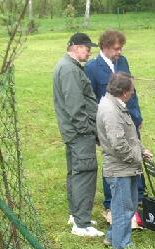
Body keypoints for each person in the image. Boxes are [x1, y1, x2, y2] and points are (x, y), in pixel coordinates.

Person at [85, 30, 144, 223]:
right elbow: (91, 98)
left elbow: (131, 90)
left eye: (121, 48)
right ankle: (111, 203)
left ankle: (137, 198)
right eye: (116, 48)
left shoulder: (123, 61)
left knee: (134, 153)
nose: (119, 52)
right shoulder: (93, 68)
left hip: (129, 119)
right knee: (115, 158)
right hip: (111, 121)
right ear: (105, 46)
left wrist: (138, 115)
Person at [53, 32, 103, 237]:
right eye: (85, 47)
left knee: (75, 172)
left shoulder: (69, 66)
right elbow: (75, 105)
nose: (89, 50)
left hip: (73, 131)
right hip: (79, 132)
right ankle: (81, 224)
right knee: (85, 172)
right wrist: (88, 130)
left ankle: (76, 214)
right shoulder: (69, 69)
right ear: (74, 46)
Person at [96, 72, 152, 249]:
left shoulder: (115, 105)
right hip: (120, 168)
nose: (133, 92)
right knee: (123, 208)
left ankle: (113, 237)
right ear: (125, 92)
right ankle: (122, 246)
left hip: (124, 167)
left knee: (125, 205)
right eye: (133, 90)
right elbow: (118, 143)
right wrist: (136, 157)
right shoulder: (111, 110)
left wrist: (141, 150)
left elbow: (129, 136)